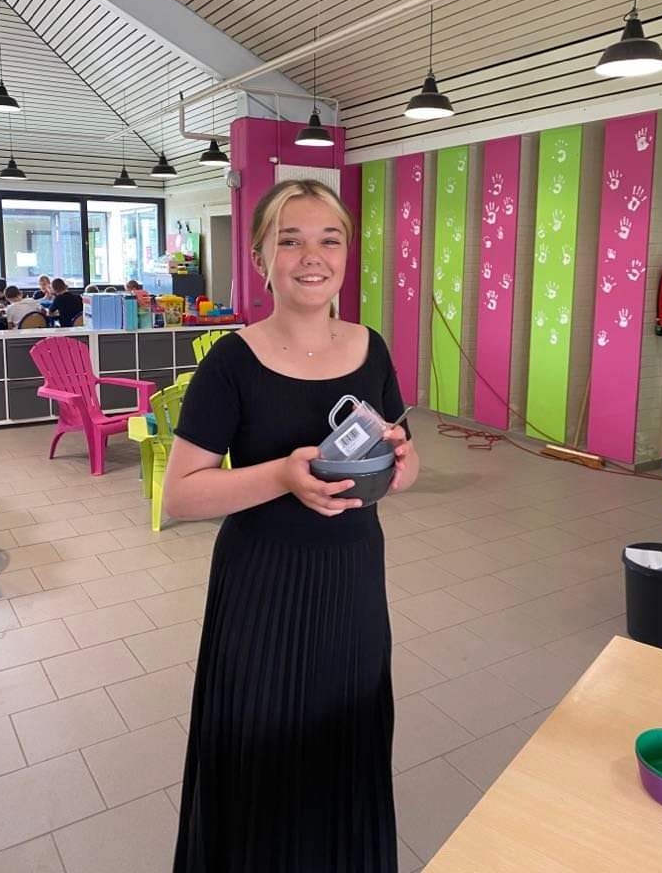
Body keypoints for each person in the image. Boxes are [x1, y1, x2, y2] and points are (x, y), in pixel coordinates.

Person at [164, 180, 419, 873]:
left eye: (329, 240)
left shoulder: (371, 348)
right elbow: (180, 496)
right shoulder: (231, 362)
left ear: (347, 254)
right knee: (262, 746)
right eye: (290, 240)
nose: (313, 256)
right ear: (259, 259)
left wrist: (399, 462)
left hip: (352, 583)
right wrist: (282, 475)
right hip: (262, 589)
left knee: (348, 741)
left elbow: (405, 462)